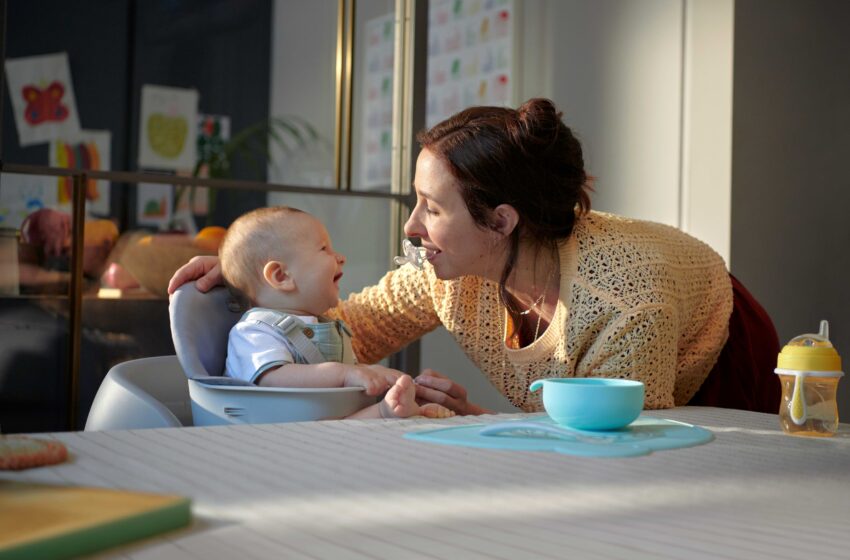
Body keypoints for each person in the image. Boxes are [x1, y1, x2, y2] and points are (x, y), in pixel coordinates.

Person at [169, 98, 780, 415]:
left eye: (431, 209)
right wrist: (249, 274)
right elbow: (338, 332)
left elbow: (618, 444)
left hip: (718, 356)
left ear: (501, 221)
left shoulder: (624, 302)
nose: (411, 228)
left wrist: (480, 419)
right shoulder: (445, 272)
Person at [218, 205, 454, 420]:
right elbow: (271, 379)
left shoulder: (325, 324)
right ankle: (391, 412)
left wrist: (374, 373)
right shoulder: (254, 331)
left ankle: (398, 411)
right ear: (281, 276)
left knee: (382, 412)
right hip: (274, 429)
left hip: (323, 426)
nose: (340, 258)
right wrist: (344, 374)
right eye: (324, 249)